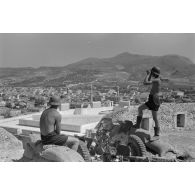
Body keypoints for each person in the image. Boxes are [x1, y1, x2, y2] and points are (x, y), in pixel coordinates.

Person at [133, 66, 168, 141]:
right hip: (152, 99)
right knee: (140, 109)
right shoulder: (157, 79)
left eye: (152, 73)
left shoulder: (157, 80)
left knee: (155, 117)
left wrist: (148, 74)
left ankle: (157, 134)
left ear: (153, 73)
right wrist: (149, 75)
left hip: (154, 100)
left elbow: (145, 82)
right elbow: (148, 82)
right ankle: (138, 125)